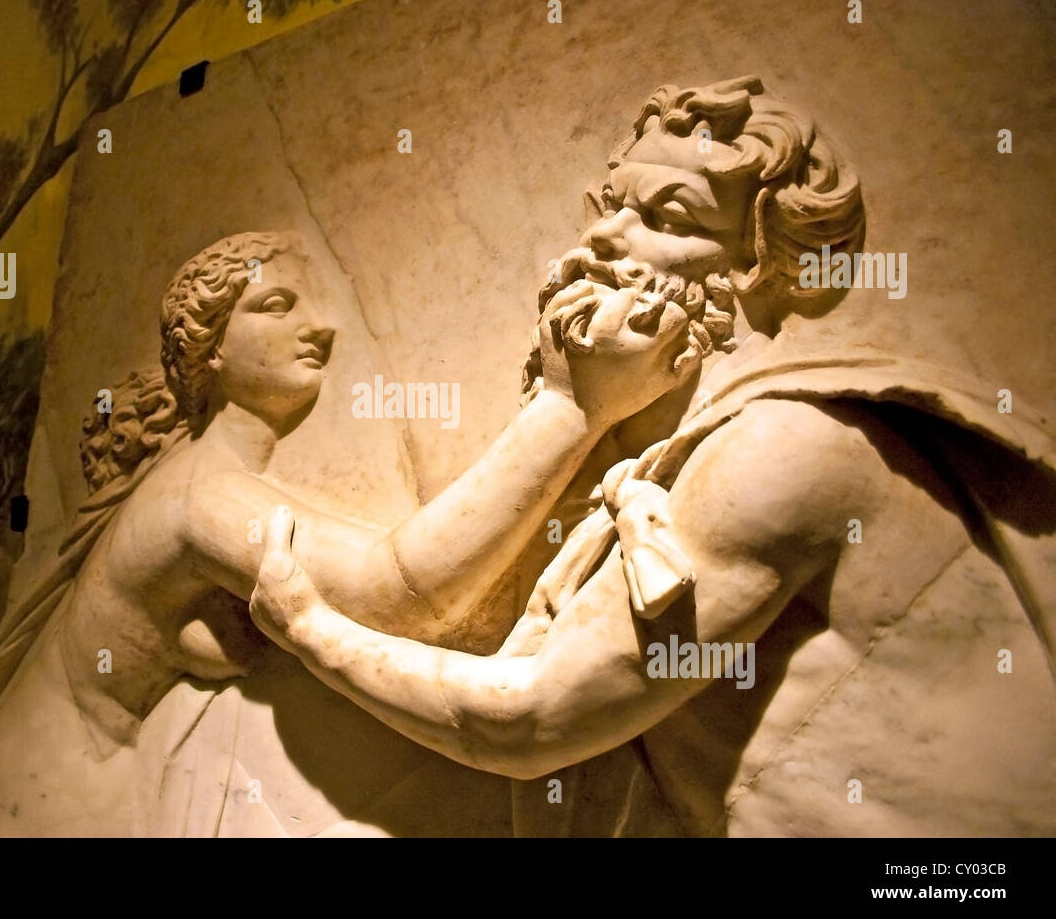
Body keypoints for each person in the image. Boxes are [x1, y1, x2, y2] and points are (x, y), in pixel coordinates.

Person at [248, 77, 1056, 837]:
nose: (605, 237)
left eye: (667, 219)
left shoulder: (782, 450)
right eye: (611, 207)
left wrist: (309, 628)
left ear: (756, 271)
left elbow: (528, 720)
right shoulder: (658, 464)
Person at [0, 227, 699, 836]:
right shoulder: (197, 497)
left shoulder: (218, 480)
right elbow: (402, 595)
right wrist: (573, 404)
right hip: (36, 809)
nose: (320, 329)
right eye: (277, 305)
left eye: (313, 306)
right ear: (210, 349)